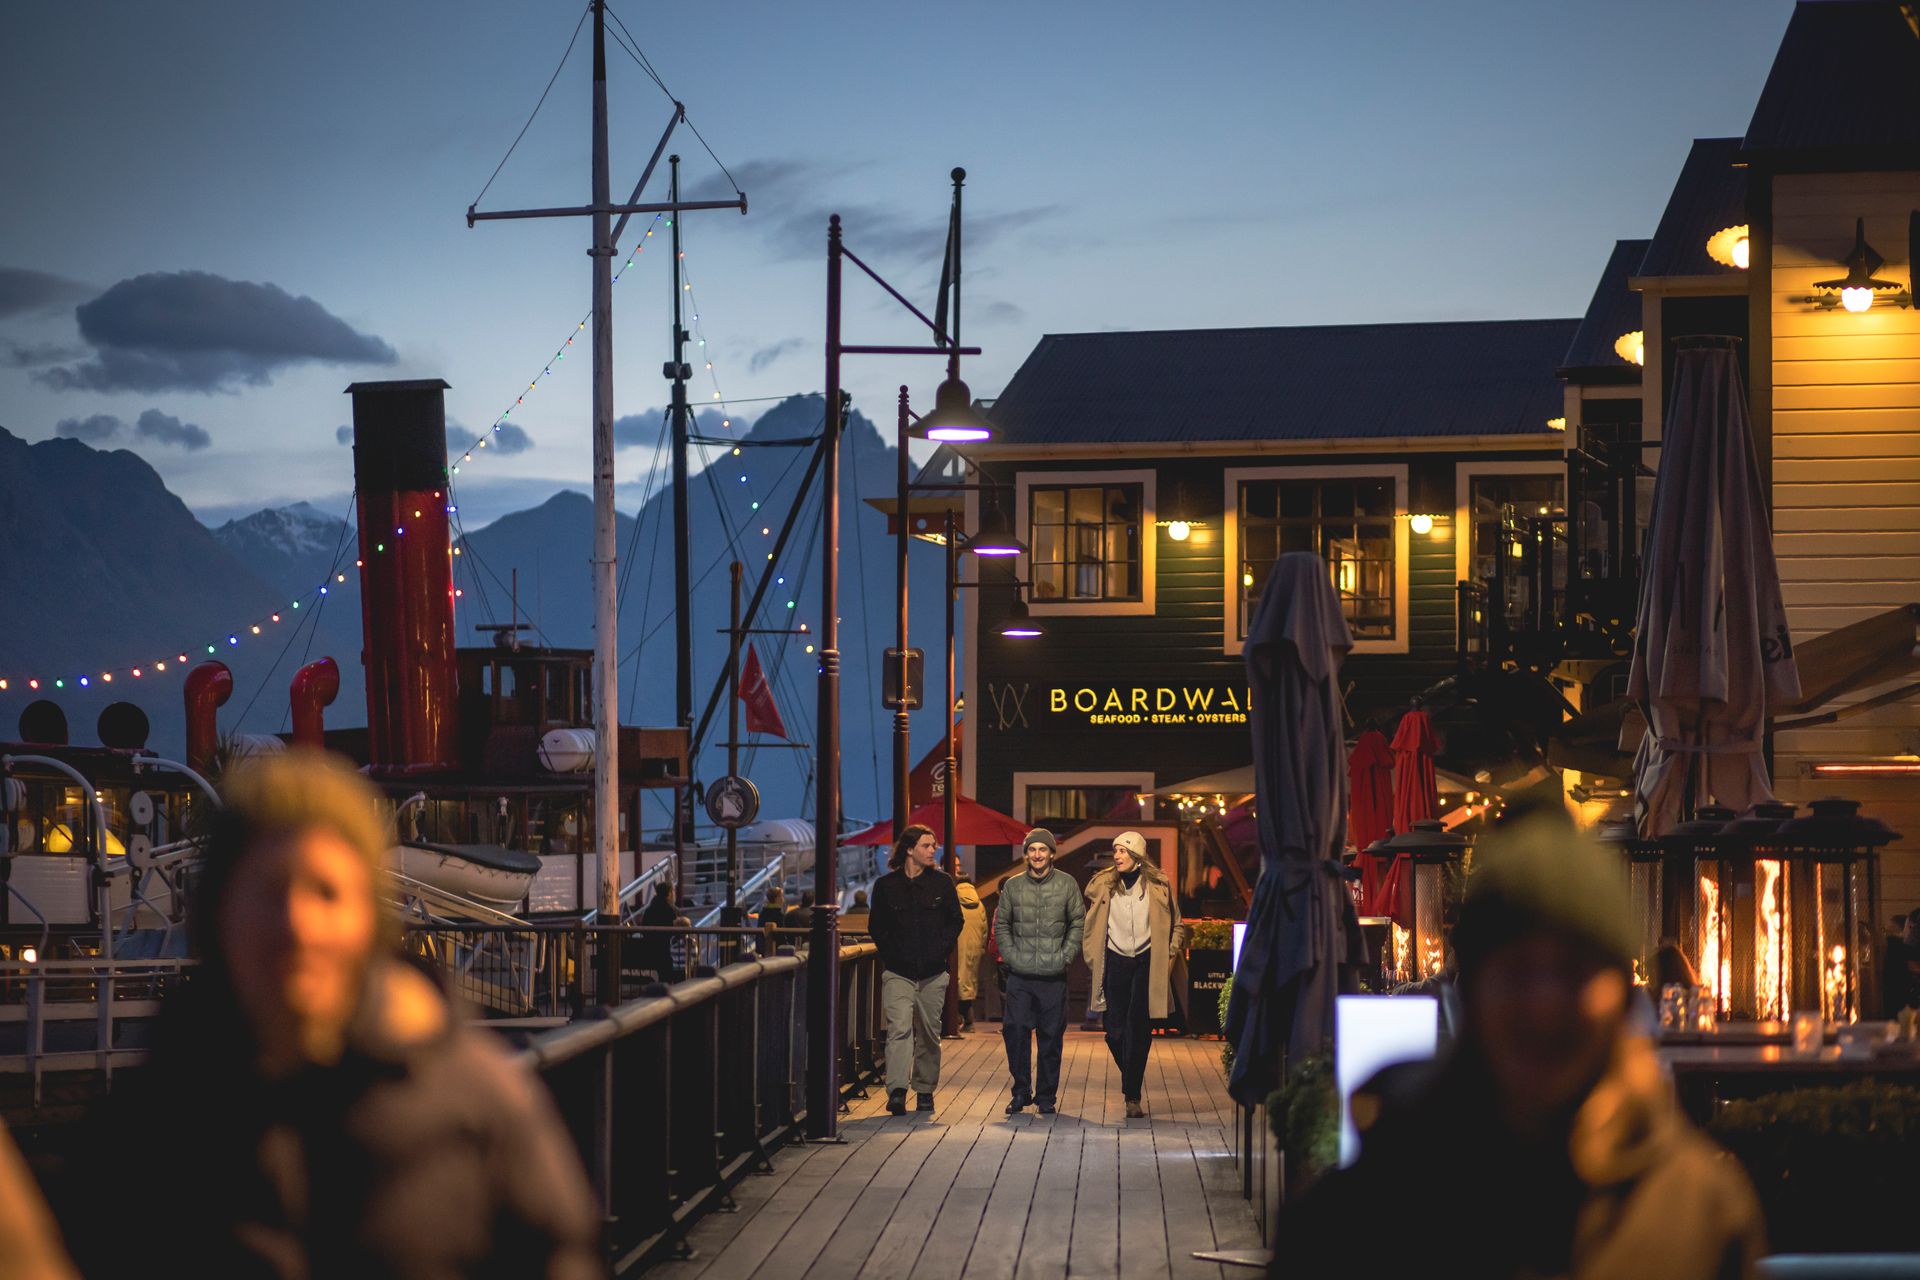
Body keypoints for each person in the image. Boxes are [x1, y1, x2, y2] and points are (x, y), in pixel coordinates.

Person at [68, 749, 599, 1278]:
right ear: (217, 912)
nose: (297, 924)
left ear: (369, 916)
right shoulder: (137, 1139)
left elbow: (561, 1259)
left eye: (325, 892)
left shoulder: (478, 1106)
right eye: (269, 891)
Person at [1271, 813, 1765, 1280]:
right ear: (1473, 989)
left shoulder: (1701, 1212)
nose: (1544, 1005)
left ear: (1620, 994)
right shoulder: (1361, 1210)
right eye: (1518, 971)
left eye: (1573, 972)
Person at [1084, 831, 1188, 1119]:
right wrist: (1092, 955)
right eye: (1115, 850)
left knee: (1139, 1030)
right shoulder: (1105, 884)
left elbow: (1177, 925)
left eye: (1123, 851)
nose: (1117, 856)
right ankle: (1132, 1074)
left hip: (1147, 962)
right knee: (1114, 1032)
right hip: (1115, 960)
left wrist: (1168, 953)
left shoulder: (1158, 885)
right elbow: (1091, 920)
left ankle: (1132, 1095)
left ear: (1138, 856)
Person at [867, 824, 964, 1115]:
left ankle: (924, 1089)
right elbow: (877, 927)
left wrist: (940, 950)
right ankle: (897, 1090)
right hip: (898, 971)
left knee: (929, 1033)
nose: (933, 850)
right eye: (926, 845)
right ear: (910, 849)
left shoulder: (943, 883)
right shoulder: (885, 887)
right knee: (898, 1029)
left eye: (934, 845)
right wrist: (892, 953)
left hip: (933, 972)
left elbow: (955, 921)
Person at [996, 828, 1085, 1116]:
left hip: (1053, 976)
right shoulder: (1012, 886)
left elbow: (1078, 923)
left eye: (1042, 849)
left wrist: (1065, 956)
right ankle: (1021, 1090)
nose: (1037, 855)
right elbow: (1002, 925)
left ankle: (1046, 1096)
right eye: (1032, 849)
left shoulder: (1067, 884)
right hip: (1019, 976)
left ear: (1051, 854)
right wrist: (1011, 956)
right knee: (1015, 1033)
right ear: (1026, 854)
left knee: (1050, 1038)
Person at [955, 874, 989, 1030]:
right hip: (974, 949)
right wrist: (980, 947)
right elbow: (984, 930)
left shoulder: (954, 901)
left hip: (957, 948)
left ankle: (959, 1020)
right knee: (968, 983)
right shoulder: (979, 904)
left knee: (955, 982)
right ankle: (969, 1021)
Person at [639, 877, 678, 983]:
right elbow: (676, 933)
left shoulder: (649, 910)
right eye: (672, 891)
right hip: (665, 952)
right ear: (669, 893)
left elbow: (644, 929)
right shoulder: (670, 910)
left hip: (649, 952)